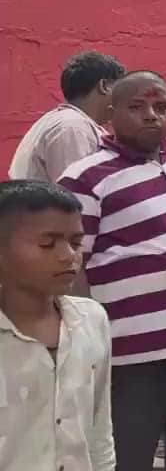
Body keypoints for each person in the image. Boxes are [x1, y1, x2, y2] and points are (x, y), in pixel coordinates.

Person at [57, 71, 166, 471]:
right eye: (136, 107)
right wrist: (87, 344)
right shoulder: (84, 179)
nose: (151, 115)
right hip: (130, 361)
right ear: (111, 114)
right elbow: (70, 269)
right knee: (125, 460)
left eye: (160, 107)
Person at [0, 180, 114, 471]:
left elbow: (99, 429)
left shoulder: (92, 320)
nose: (68, 256)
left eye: (76, 243)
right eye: (47, 243)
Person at [9, 51, 126, 183]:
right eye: (123, 88)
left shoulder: (68, 122)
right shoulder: (72, 128)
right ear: (104, 86)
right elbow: (76, 192)